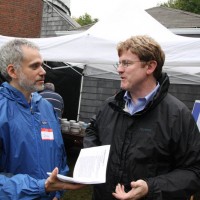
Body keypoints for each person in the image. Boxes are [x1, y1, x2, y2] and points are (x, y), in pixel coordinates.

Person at [83, 35, 200, 200]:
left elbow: (194, 171)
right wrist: (91, 164)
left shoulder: (177, 115)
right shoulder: (110, 105)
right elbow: (92, 130)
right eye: (120, 63)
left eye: (127, 63)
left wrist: (150, 188)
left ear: (150, 66)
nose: (119, 69)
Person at [0, 38, 83, 199]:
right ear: (12, 71)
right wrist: (40, 187)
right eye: (34, 66)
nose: (43, 71)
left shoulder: (46, 107)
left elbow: (60, 157)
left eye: (42, 65)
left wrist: (57, 192)